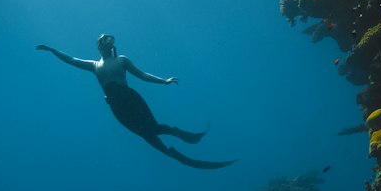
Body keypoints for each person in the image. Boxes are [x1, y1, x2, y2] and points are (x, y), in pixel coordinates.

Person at [36, 34, 235, 169]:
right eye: (104, 39)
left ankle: (177, 133)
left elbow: (142, 75)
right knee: (143, 133)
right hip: (116, 106)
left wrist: (163, 81)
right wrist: (51, 49)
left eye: (110, 39)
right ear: (99, 45)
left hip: (131, 99)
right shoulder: (94, 65)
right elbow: (71, 59)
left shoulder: (122, 60)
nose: (108, 41)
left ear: (112, 45)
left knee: (153, 127)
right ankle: (170, 153)